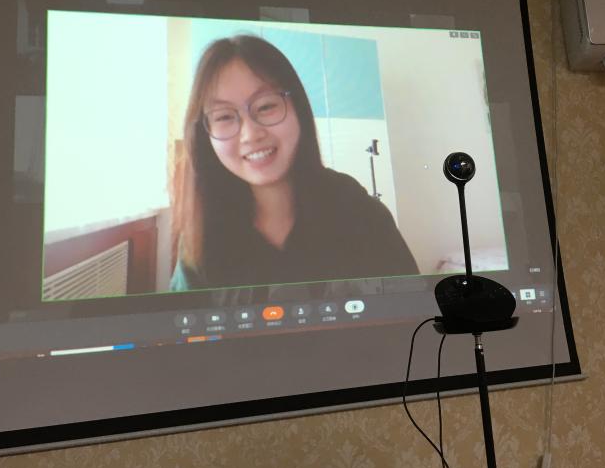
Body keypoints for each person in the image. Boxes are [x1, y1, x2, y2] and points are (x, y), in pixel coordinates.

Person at [170, 34, 419, 291]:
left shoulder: (357, 210)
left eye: (266, 106)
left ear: (297, 107)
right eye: (224, 117)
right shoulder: (201, 237)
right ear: (205, 133)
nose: (250, 134)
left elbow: (411, 305)